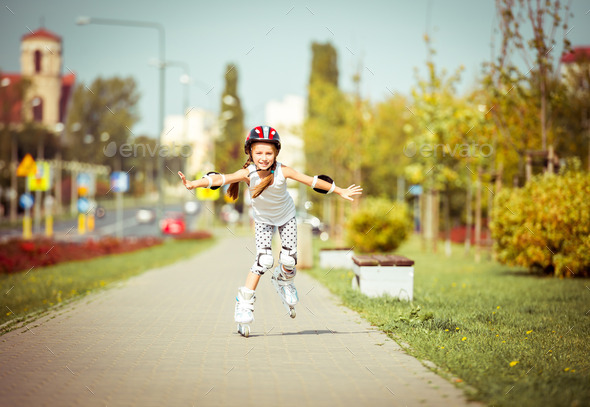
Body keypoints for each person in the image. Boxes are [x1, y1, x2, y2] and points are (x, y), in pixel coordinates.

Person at [178, 125, 362, 336]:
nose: (264, 157)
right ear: (250, 153)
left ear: (276, 153)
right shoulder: (247, 173)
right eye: (259, 153)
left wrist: (340, 190)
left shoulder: (284, 171)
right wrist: (193, 183)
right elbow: (221, 178)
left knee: (290, 260)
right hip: (263, 221)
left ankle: (284, 280)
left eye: (268, 153)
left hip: (286, 218)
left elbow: (312, 181)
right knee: (264, 260)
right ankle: (244, 301)